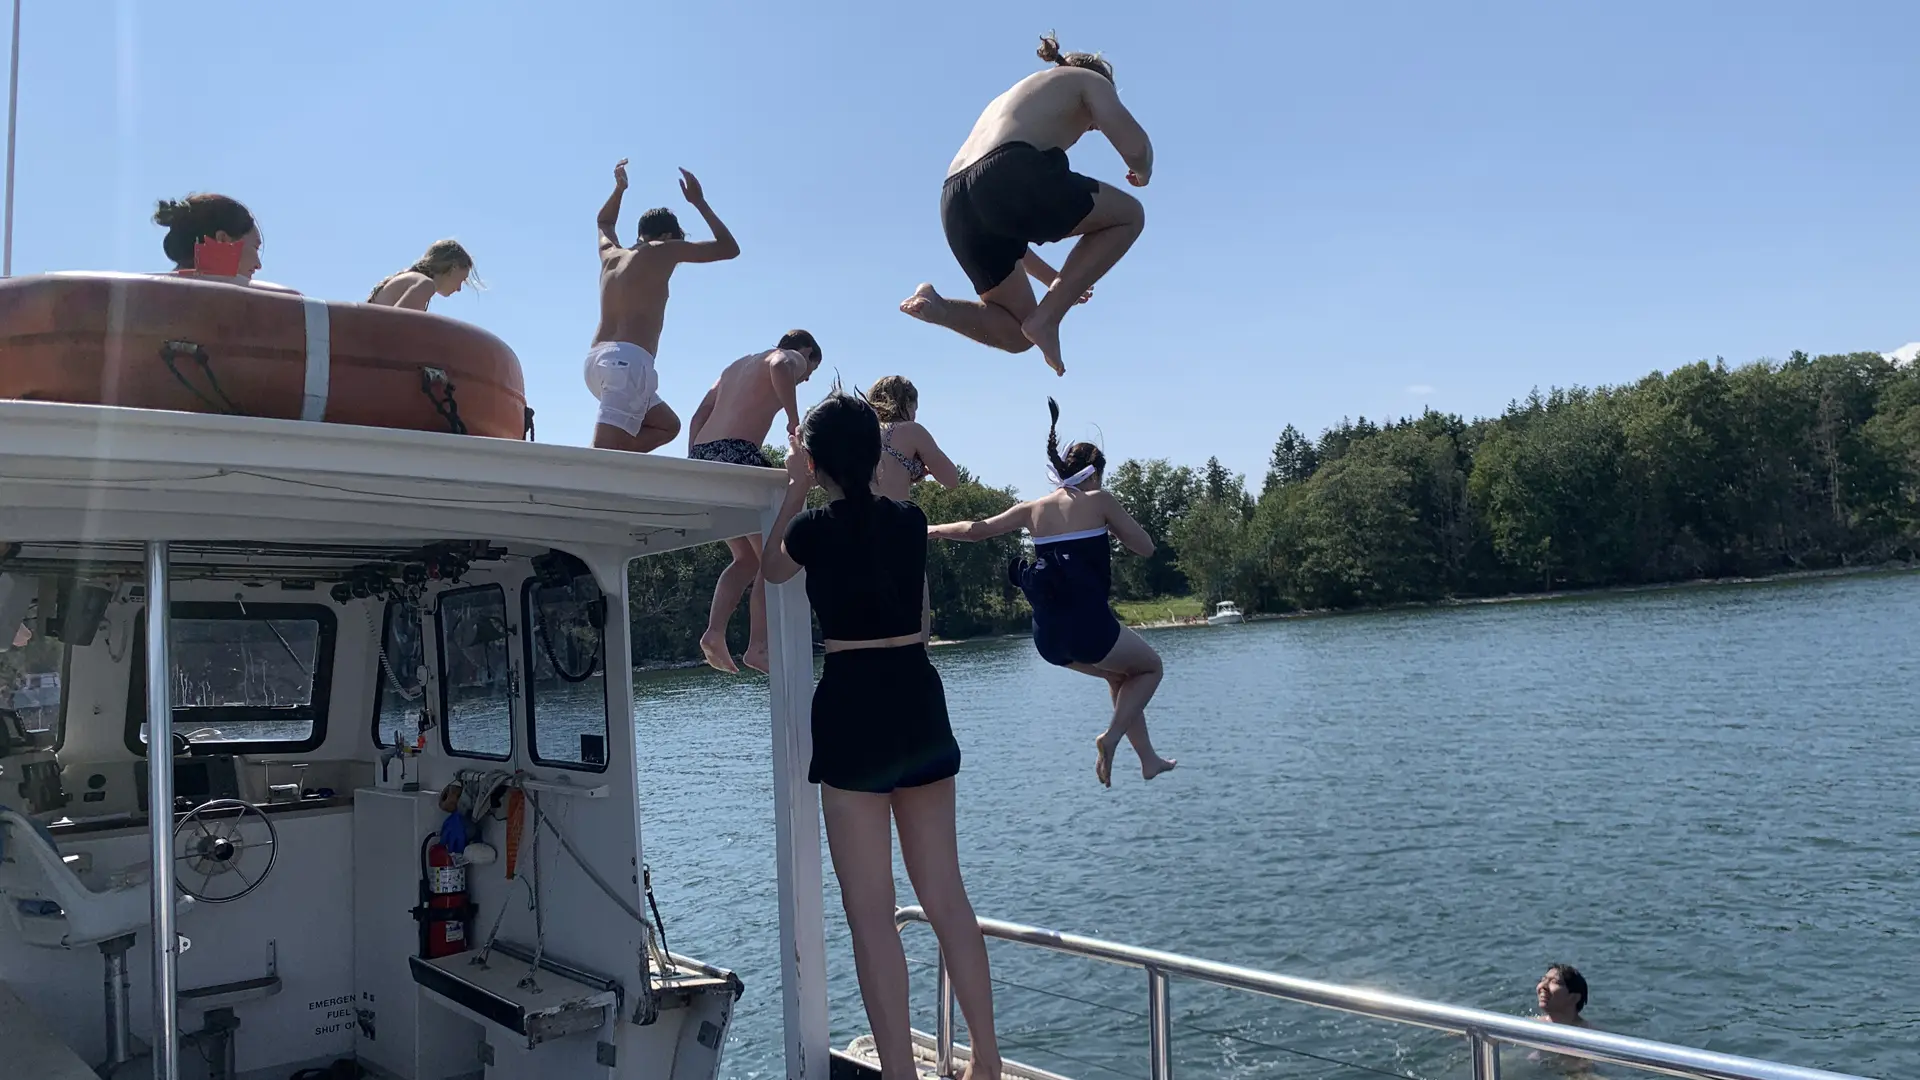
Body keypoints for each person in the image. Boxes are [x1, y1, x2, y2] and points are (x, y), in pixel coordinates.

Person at [760, 389, 1001, 1080]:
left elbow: (772, 564)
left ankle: (899, 1073)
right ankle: (985, 1061)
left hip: (853, 706)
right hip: (916, 697)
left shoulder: (812, 532)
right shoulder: (910, 521)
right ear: (875, 453)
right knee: (946, 897)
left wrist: (793, 491)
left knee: (870, 913)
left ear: (815, 461)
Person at [928, 399, 1176, 786]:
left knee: (1120, 677)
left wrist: (931, 530)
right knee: (1150, 668)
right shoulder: (1100, 501)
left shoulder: (1032, 509)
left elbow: (976, 530)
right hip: (1091, 630)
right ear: (1094, 475)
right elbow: (1145, 547)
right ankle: (1110, 738)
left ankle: (1147, 759)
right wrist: (1110, 526)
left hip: (1048, 639)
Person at [900, 32, 1152, 377]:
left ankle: (939, 308)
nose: (1090, 128)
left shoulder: (1019, 98)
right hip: (1008, 171)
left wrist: (1057, 280)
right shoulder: (1090, 80)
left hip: (954, 201)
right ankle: (1049, 319)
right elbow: (1137, 149)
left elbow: (1005, 217)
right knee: (1129, 216)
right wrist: (1143, 171)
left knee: (1018, 333)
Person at [683, 330, 826, 674]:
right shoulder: (787, 357)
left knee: (745, 559)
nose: (805, 378)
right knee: (771, 555)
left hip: (706, 457)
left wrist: (693, 460)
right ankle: (758, 645)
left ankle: (714, 633)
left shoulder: (735, 367)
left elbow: (699, 414)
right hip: (737, 456)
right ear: (806, 352)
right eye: (811, 371)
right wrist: (795, 426)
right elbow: (781, 365)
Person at [587, 158, 741, 452]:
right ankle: (598, 471)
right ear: (669, 236)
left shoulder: (612, 255)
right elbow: (729, 248)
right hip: (627, 361)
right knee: (602, 453)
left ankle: (617, 458)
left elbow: (604, 222)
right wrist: (699, 202)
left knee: (667, 425)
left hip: (596, 362)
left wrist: (619, 190)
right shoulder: (661, 250)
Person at [152, 193, 298, 293]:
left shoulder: (144, 298)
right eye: (255, 247)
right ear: (222, 240)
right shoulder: (277, 307)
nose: (258, 265)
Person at [367, 239, 478, 310]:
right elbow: (395, 328)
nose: (459, 288)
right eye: (462, 279)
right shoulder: (425, 285)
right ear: (454, 267)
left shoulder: (414, 279)